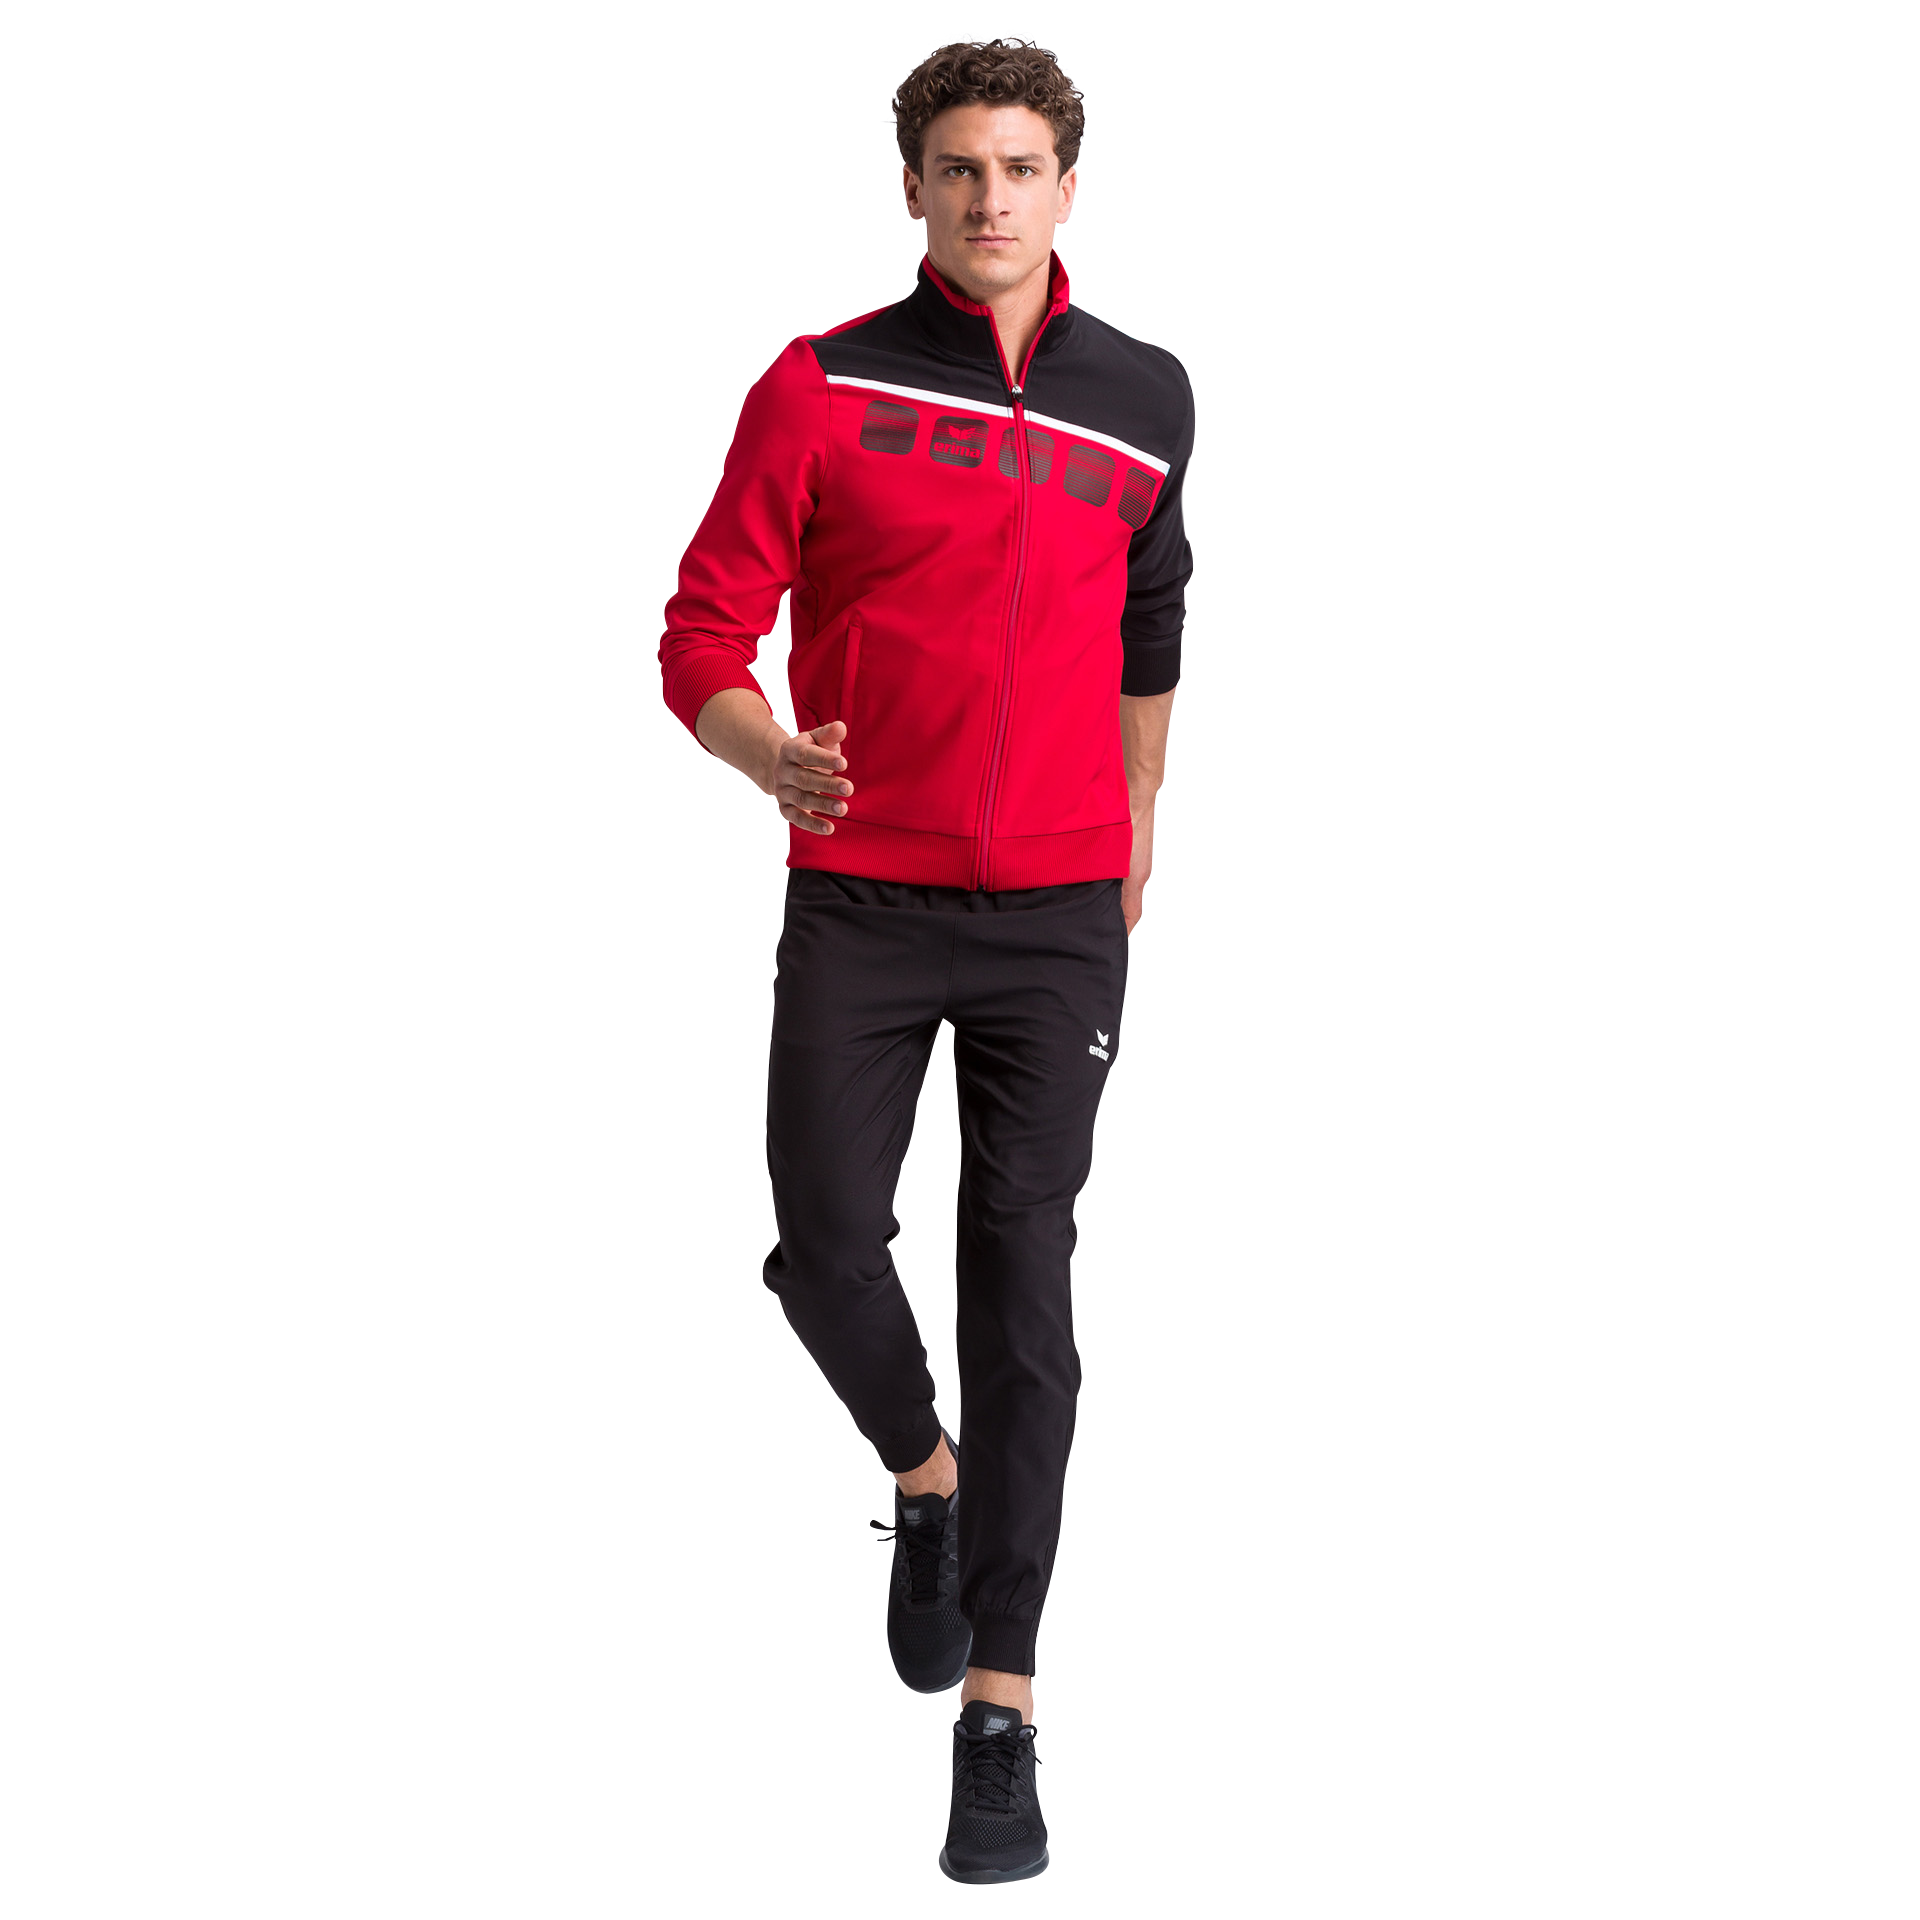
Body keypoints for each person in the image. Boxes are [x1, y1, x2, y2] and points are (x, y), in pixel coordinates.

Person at [657, 37, 1193, 1886]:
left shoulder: (1144, 397)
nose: (991, 197)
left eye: (1022, 166)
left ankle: (1002, 1707)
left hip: (1058, 912)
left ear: (1067, 186)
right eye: (959, 167)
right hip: (864, 893)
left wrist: (1138, 825)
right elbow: (701, 631)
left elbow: (1152, 622)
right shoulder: (822, 388)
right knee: (822, 1239)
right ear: (912, 189)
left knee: (1022, 1282)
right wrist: (766, 754)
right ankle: (926, 1475)